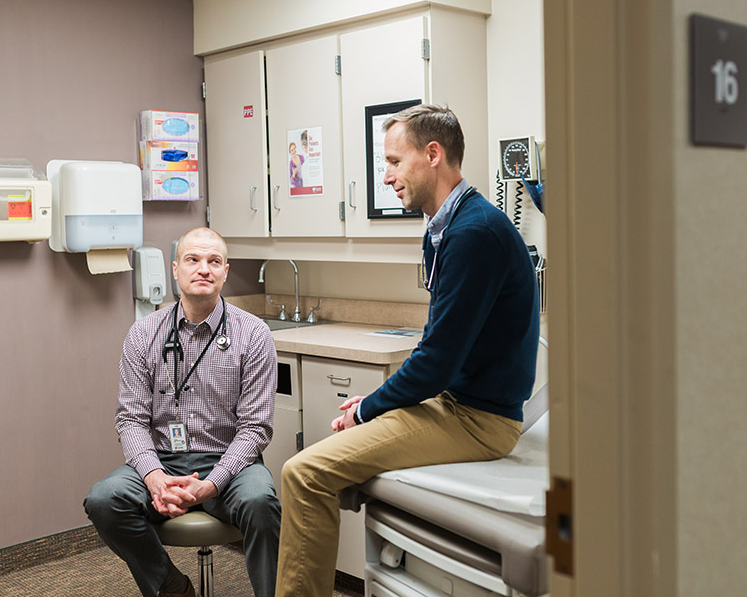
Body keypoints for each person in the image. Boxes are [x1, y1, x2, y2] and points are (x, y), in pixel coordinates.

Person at [274, 104, 540, 596]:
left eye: (395, 162)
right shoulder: (446, 228)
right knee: (318, 464)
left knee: (304, 473)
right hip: (456, 406)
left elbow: (436, 362)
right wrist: (372, 407)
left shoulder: (474, 232)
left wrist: (368, 409)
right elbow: (440, 347)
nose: (388, 176)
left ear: (433, 154)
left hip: (479, 421)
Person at [85, 227, 281, 597]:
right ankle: (170, 586)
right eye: (193, 259)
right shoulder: (144, 334)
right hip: (163, 460)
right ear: (175, 269)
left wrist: (211, 484)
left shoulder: (253, 334)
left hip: (231, 463)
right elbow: (130, 419)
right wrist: (155, 477)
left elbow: (256, 428)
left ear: (225, 271)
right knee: (103, 499)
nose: (203, 269)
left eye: (214, 261)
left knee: (261, 502)